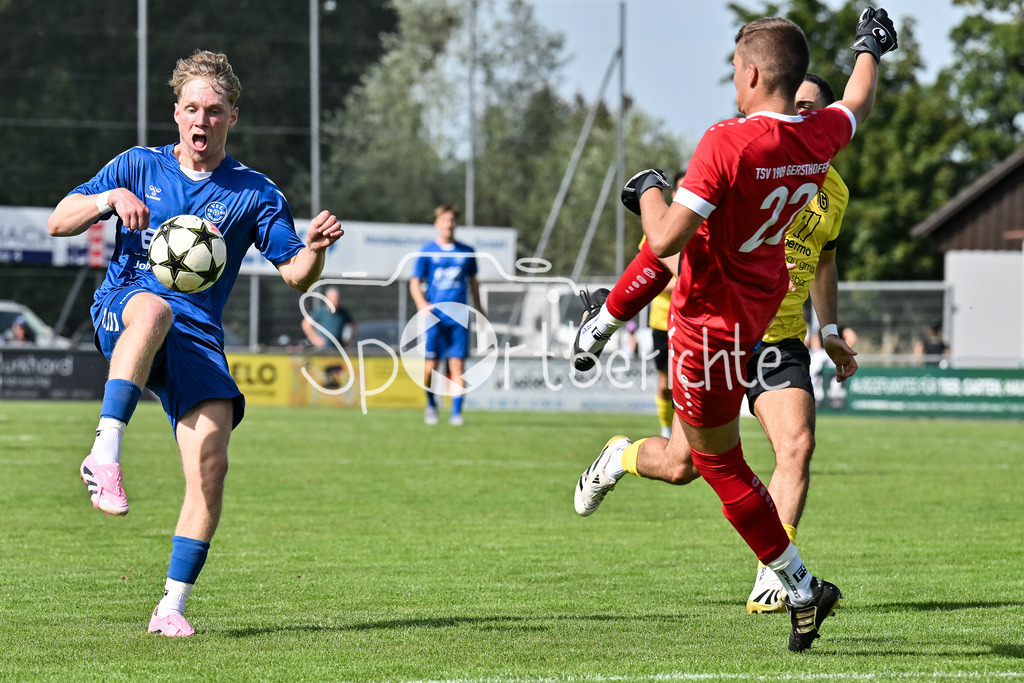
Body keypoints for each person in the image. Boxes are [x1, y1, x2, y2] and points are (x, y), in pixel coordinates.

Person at [572, 9, 897, 653]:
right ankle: (603, 334)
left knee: (719, 460)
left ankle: (793, 583)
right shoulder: (818, 138)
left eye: (734, 68)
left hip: (710, 328)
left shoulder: (728, 140)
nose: (731, 78)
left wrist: (650, 190)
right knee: (688, 462)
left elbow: (662, 236)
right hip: (753, 310)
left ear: (751, 73)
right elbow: (857, 99)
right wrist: (871, 49)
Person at [47, 50, 343, 637]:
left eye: (214, 110)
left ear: (232, 115)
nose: (201, 120)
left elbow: (295, 274)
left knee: (210, 464)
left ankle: (171, 606)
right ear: (176, 114)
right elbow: (59, 219)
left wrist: (317, 247)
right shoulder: (137, 165)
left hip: (199, 337)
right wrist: (108, 200)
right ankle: (104, 455)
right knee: (154, 309)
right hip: (127, 309)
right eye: (191, 109)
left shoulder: (254, 193)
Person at [409, 204, 485, 426]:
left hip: (459, 317)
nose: (448, 224)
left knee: (457, 367)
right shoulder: (427, 251)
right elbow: (415, 283)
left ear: (456, 223)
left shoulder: (467, 251)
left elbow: (473, 283)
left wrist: (480, 309)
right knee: (431, 367)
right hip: (435, 318)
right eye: (444, 220)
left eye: (452, 220)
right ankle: (431, 405)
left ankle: (456, 413)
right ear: (437, 223)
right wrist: (422, 304)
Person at [301, 286, 357, 389]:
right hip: (323, 351)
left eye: (337, 299)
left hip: (337, 351)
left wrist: (348, 341)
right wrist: (315, 339)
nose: (335, 301)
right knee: (322, 373)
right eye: (333, 299)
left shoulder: (343, 313)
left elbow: (353, 325)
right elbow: (306, 324)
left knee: (337, 373)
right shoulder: (321, 312)